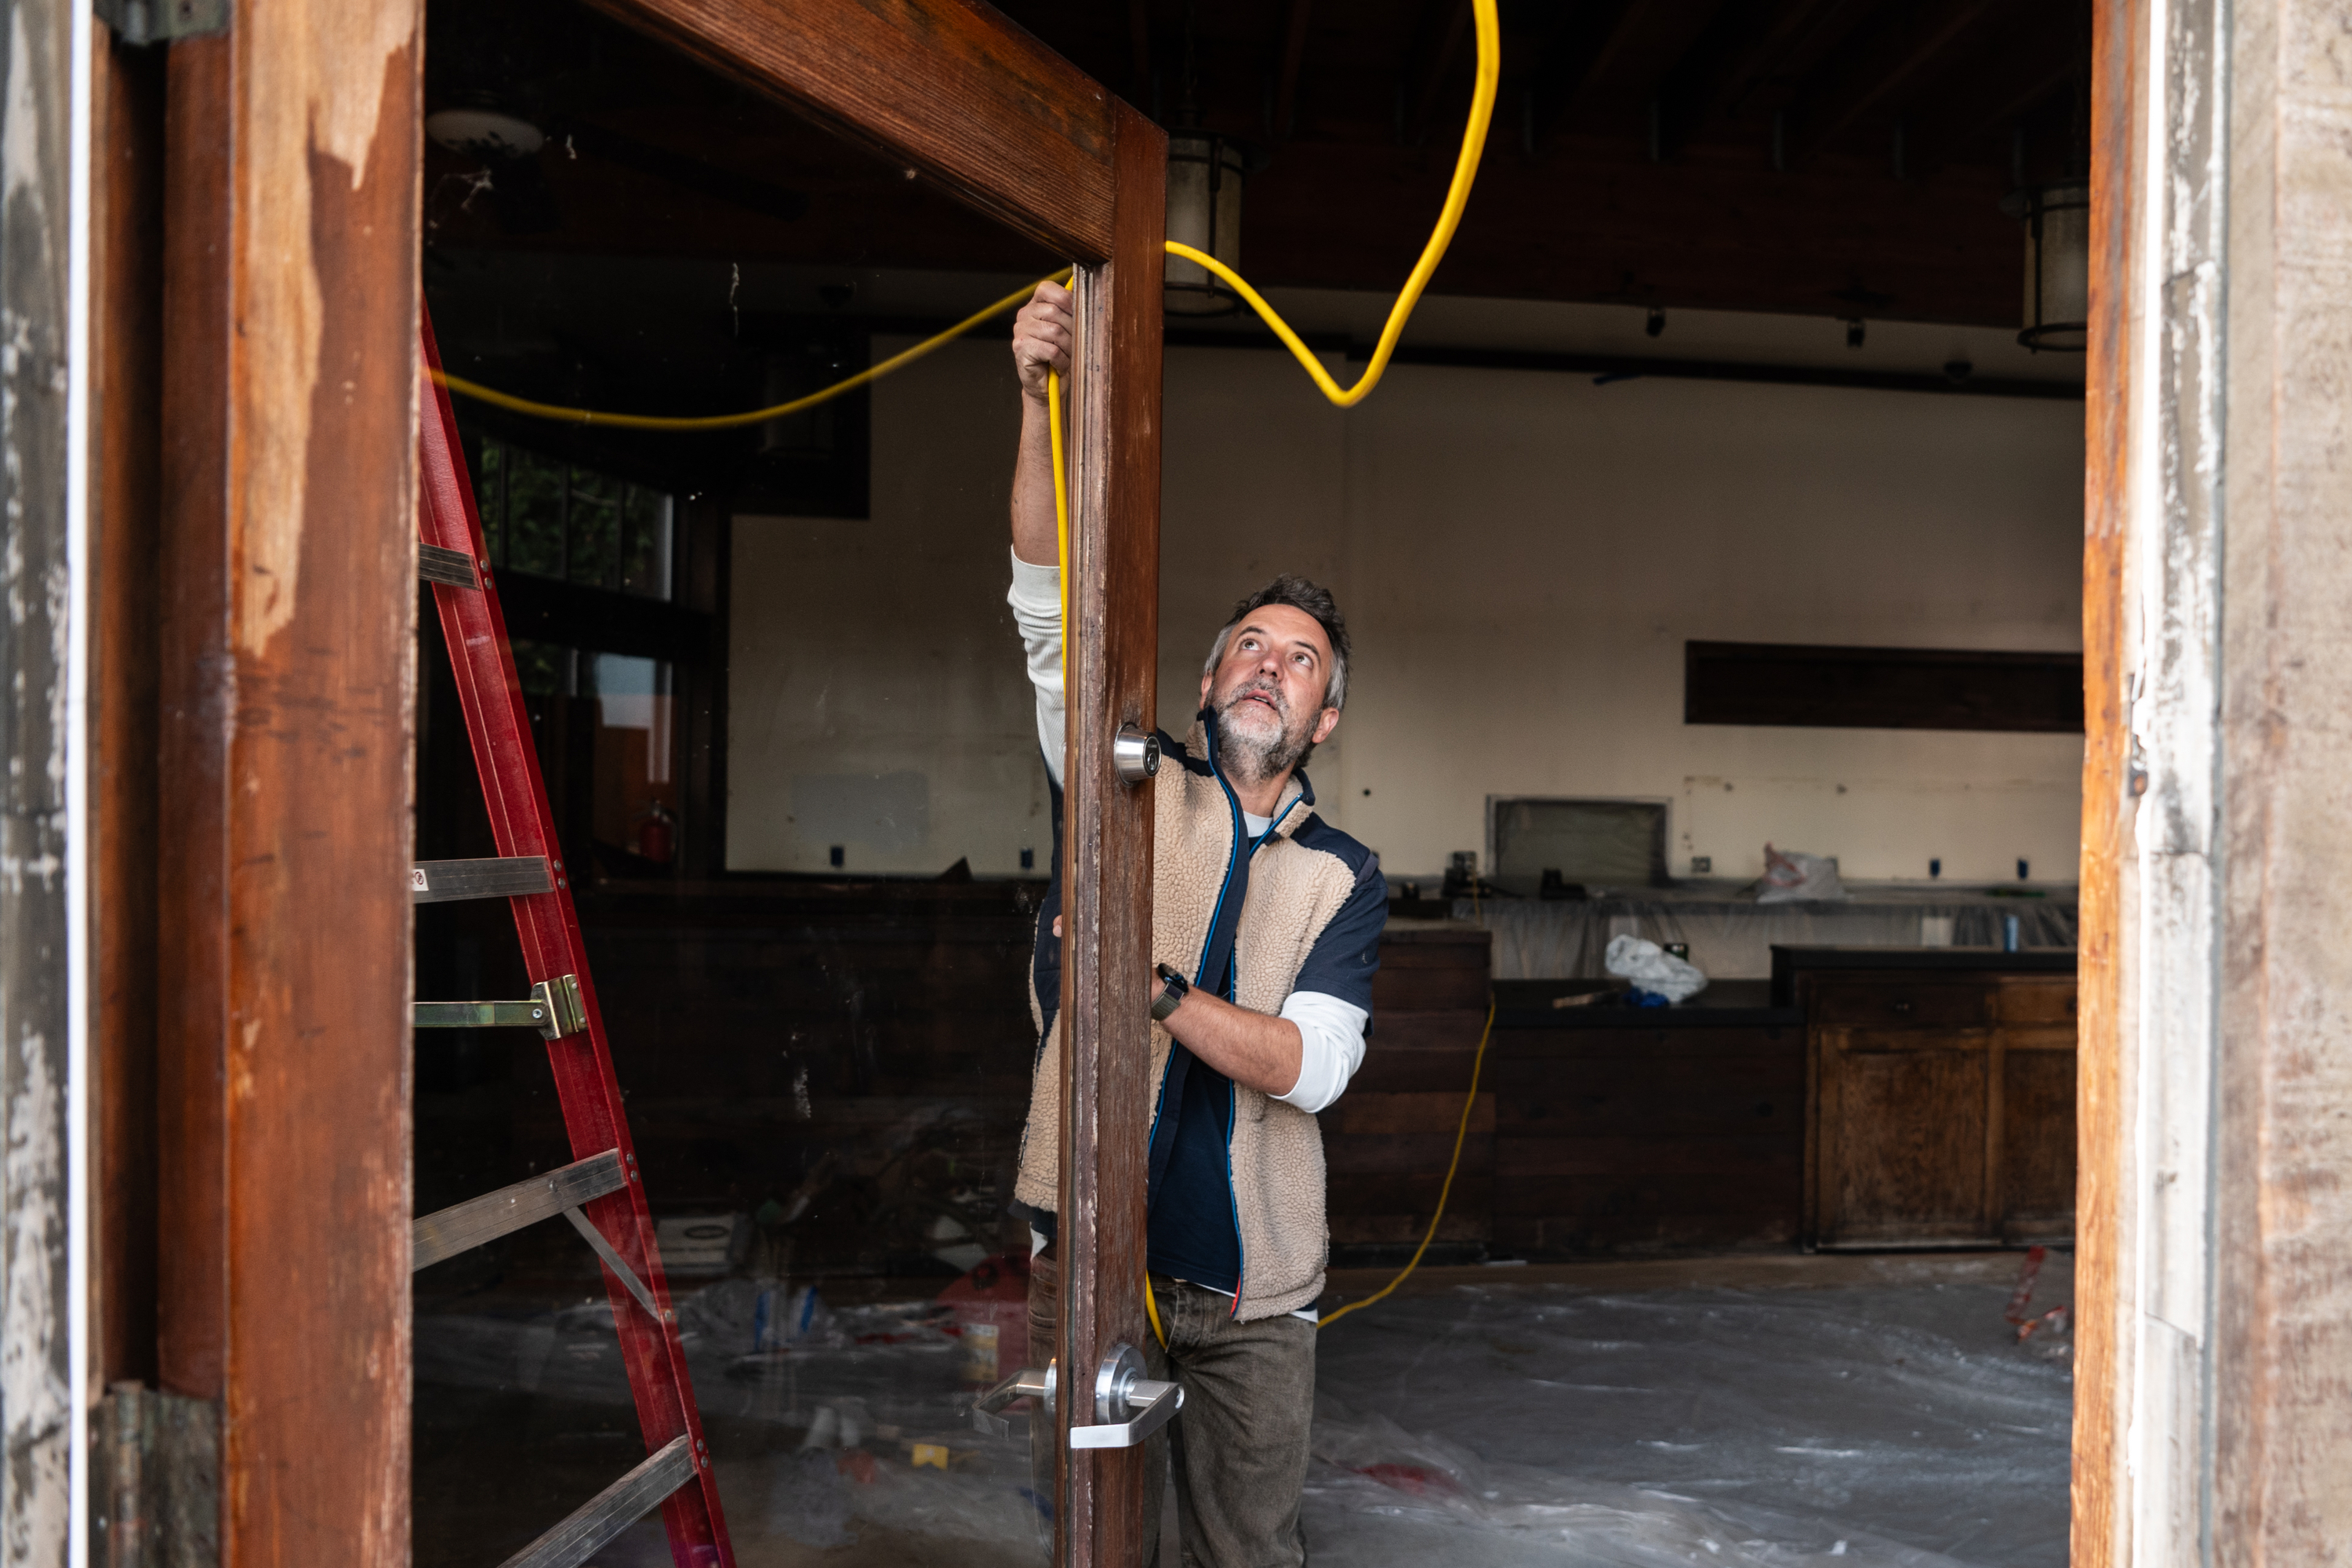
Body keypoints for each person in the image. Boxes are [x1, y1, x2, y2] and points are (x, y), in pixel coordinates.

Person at [1001, 278, 1387, 1566]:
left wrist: (1152, 990)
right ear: (1209, 676)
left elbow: (1311, 1069)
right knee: (1098, 1547)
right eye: (1251, 648)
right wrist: (1037, 400)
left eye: (1302, 660)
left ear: (1324, 718)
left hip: (1252, 1296)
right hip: (1092, 1256)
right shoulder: (1125, 789)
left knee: (1249, 1552)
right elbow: (1048, 610)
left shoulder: (1345, 874)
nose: (1270, 666)